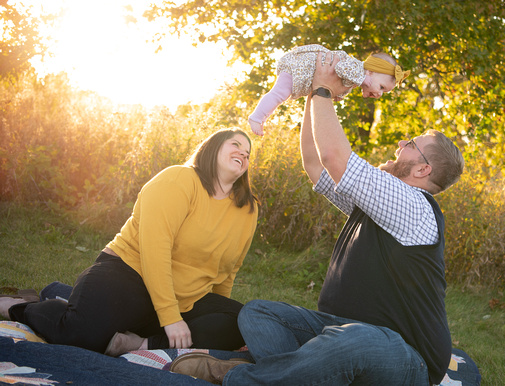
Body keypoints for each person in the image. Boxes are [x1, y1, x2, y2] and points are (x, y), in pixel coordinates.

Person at [169, 53, 464, 385]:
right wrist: (314, 92)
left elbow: (335, 157)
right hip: (338, 330)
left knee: (354, 340)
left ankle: (241, 379)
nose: (400, 144)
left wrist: (326, 91)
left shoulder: (414, 205)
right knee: (258, 314)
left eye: (410, 144)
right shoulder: (381, 203)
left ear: (423, 170)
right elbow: (316, 164)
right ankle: (302, 374)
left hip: (408, 359)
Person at [0, 128, 259, 356]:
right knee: (79, 335)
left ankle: (139, 344)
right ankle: (22, 307)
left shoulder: (247, 209)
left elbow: (227, 271)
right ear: (212, 148)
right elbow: (154, 250)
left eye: (248, 152)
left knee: (243, 321)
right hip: (130, 274)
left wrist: (215, 316)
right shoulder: (178, 180)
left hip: (187, 298)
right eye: (236, 144)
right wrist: (170, 318)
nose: (243, 153)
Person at [248, 43, 410, 136]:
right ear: (370, 72)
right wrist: (363, 80)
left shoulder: (354, 79)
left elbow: (339, 82)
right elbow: (340, 68)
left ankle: (261, 118)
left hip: (303, 74)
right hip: (298, 68)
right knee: (279, 93)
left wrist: (337, 95)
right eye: (381, 87)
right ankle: (257, 117)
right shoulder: (355, 67)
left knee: (281, 94)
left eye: (384, 92)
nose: (380, 94)